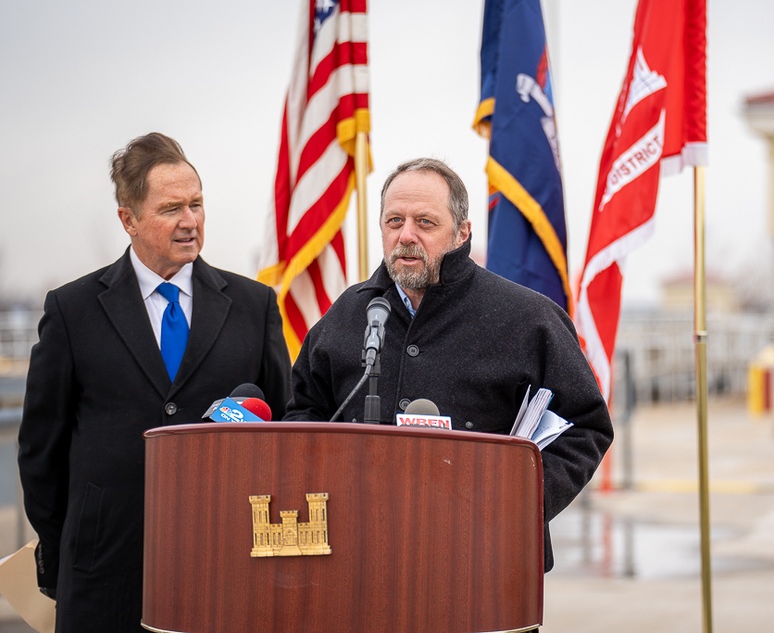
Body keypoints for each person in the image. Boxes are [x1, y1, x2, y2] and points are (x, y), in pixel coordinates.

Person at [285, 157, 614, 574]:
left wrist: (518, 502)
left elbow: (586, 425)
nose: (406, 235)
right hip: (360, 559)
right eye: (394, 221)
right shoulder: (349, 313)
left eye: (425, 222)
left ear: (462, 233)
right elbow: (303, 414)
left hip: (486, 563)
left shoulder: (528, 319)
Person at [17, 132, 291, 632]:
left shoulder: (255, 307)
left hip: (227, 571)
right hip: (103, 578)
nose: (190, 221)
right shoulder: (72, 311)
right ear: (128, 219)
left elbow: (286, 430)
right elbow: (40, 452)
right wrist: (72, 546)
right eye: (171, 209)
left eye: (197, 204)